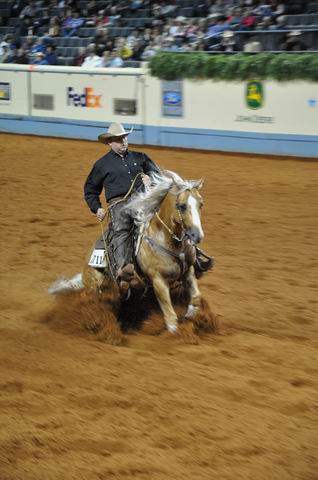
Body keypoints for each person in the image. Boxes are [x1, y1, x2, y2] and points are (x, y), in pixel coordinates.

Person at [84, 122, 160, 292]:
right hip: (119, 204)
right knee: (121, 230)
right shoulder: (102, 165)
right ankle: (122, 271)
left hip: (143, 199)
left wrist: (151, 179)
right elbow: (90, 190)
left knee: (168, 219)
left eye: (125, 137)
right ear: (110, 142)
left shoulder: (141, 157)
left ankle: (190, 257)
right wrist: (97, 208)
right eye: (119, 139)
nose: (123, 141)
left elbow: (159, 176)